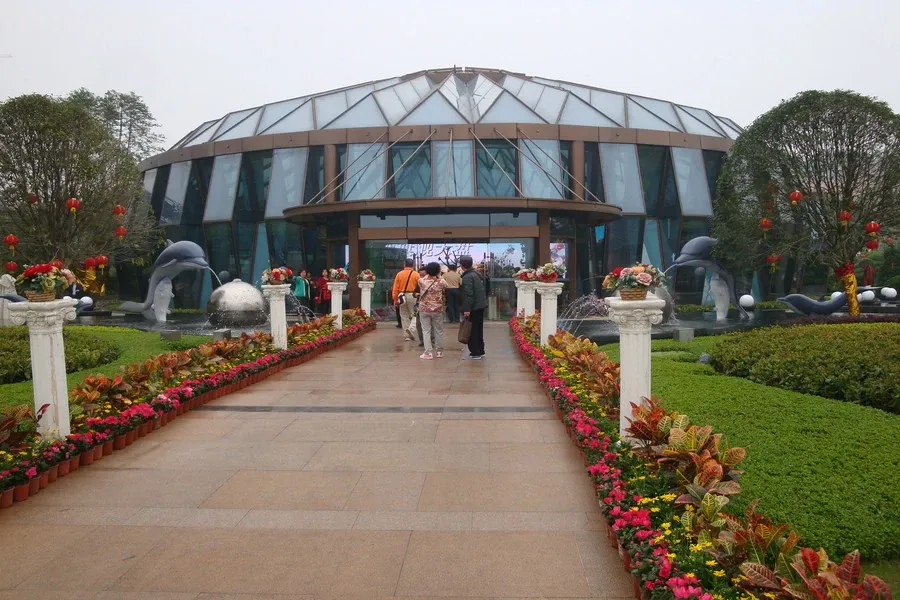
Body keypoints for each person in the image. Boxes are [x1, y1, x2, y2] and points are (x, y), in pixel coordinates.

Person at [416, 262, 446, 359]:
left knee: (426, 330)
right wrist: (439, 275)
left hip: (424, 308)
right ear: (438, 270)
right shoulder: (441, 281)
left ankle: (428, 352)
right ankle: (439, 352)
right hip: (437, 308)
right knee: (439, 330)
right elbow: (446, 287)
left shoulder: (421, 281)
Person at [459, 255, 486, 360]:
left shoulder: (467, 277)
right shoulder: (477, 274)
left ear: (462, 265)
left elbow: (468, 294)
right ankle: (480, 350)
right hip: (480, 305)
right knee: (478, 329)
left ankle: (475, 352)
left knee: (472, 330)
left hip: (473, 307)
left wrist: (467, 309)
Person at [391, 258, 420, 341]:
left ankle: (407, 336)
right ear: (413, 265)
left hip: (401, 295)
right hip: (413, 295)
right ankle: (411, 329)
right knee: (415, 314)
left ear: (404, 264)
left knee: (404, 315)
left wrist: (395, 299)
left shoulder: (399, 274)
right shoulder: (416, 274)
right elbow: (419, 287)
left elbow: (395, 288)